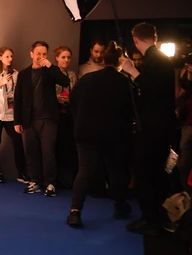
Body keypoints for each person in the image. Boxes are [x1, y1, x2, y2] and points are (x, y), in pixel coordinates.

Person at [66, 42, 135, 227]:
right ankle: (120, 206)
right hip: (114, 134)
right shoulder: (125, 82)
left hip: (86, 132)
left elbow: (72, 100)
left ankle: (75, 212)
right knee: (116, 170)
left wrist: (79, 120)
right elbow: (132, 109)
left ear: (103, 60)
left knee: (84, 171)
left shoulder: (87, 79)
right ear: (120, 61)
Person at [120, 22, 177, 236]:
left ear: (135, 40)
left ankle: (151, 219)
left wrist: (131, 71)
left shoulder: (154, 61)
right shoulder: (161, 59)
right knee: (153, 172)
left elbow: (150, 89)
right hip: (161, 125)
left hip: (153, 127)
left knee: (145, 172)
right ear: (155, 37)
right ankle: (154, 216)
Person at [14, 41, 70, 197]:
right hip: (28, 120)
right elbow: (18, 98)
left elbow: (65, 82)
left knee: (48, 152)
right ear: (31, 54)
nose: (41, 56)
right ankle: (34, 181)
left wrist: (50, 66)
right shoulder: (24, 74)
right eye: (38, 53)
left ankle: (50, 182)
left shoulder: (50, 71)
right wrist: (17, 121)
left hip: (48, 119)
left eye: (44, 54)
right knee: (30, 152)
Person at [0, 47, 27, 184]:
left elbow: (19, 94)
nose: (10, 59)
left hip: (11, 113)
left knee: (18, 141)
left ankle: (21, 172)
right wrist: (0, 84)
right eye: (7, 56)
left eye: (11, 56)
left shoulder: (16, 74)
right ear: (0, 57)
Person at [53, 46, 78, 188]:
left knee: (69, 147)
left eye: (68, 57)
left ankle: (68, 179)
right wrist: (56, 98)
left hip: (69, 114)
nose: (66, 60)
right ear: (57, 58)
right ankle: (55, 178)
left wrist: (70, 99)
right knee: (55, 146)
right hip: (55, 114)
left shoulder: (72, 75)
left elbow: (76, 93)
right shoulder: (51, 73)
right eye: (63, 57)